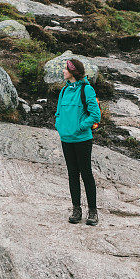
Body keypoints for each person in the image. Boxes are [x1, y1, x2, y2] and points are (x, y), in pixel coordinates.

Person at [55, 58, 102, 226]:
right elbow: (58, 113)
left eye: (66, 69)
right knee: (72, 174)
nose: (63, 71)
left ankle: (93, 211)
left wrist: (80, 127)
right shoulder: (63, 91)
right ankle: (76, 209)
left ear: (73, 72)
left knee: (86, 174)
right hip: (66, 139)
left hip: (82, 139)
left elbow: (95, 115)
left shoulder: (86, 89)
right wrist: (59, 125)